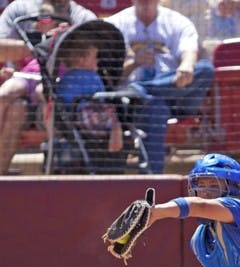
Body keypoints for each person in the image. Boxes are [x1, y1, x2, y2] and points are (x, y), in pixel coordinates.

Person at [105, 0, 215, 174]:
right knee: (156, 107)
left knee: (205, 69)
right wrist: (135, 63)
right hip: (134, 105)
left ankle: (142, 88)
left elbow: (189, 50)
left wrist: (186, 66)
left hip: (178, 95)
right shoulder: (115, 24)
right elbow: (108, 77)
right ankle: (152, 179)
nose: (146, 4)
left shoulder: (177, 21)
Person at [0, 0, 96, 175]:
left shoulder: (84, 17)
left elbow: (92, 63)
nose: (39, 25)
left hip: (58, 98)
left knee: (40, 100)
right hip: (27, 81)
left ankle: (52, 172)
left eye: (45, 21)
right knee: (8, 99)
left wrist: (62, 40)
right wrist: (40, 46)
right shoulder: (20, 8)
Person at [54, 37, 126, 173]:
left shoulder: (64, 79)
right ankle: (117, 130)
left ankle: (116, 130)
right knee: (113, 111)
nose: (97, 61)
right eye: (94, 58)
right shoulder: (92, 76)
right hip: (88, 118)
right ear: (82, 60)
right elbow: (101, 100)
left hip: (72, 121)